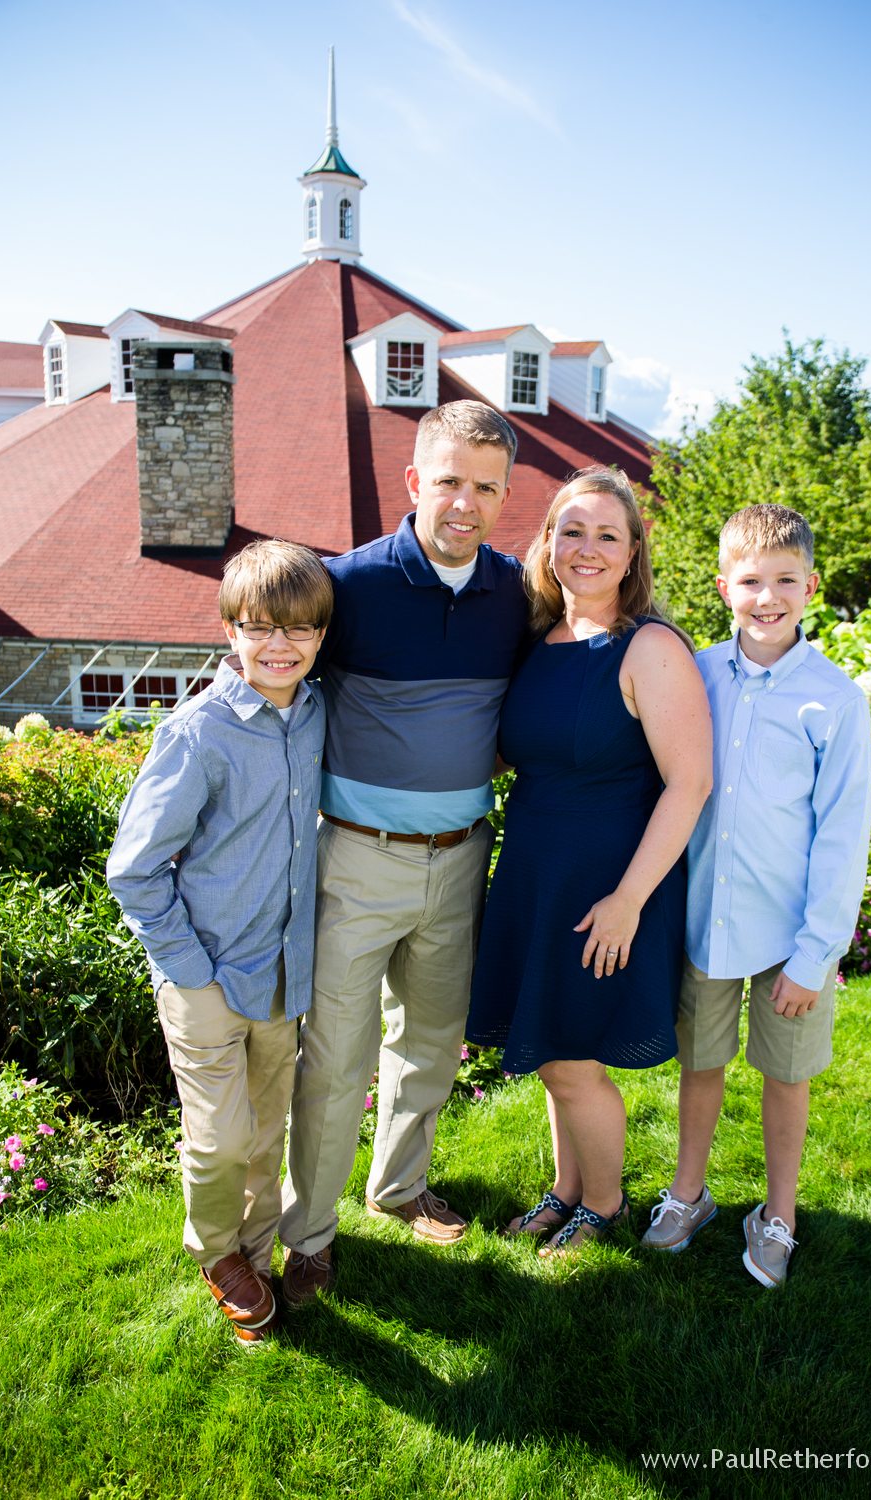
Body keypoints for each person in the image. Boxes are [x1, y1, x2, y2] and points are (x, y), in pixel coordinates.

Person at [279, 400, 529, 1304]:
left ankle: (398, 1187)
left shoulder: (516, 594)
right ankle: (306, 1233)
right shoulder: (347, 586)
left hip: (463, 856)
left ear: (505, 496)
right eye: (451, 482)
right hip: (357, 859)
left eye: (487, 488)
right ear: (416, 482)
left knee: (429, 1042)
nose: (467, 502)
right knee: (335, 1054)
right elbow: (264, 669)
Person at [466, 467, 713, 1255]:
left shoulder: (650, 647)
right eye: (572, 531)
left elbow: (690, 783)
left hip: (607, 885)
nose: (587, 548)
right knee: (551, 1052)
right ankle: (566, 1191)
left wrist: (629, 900)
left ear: (634, 550)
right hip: (537, 873)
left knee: (572, 1060)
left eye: (608, 534)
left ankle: (603, 1205)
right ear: (547, 543)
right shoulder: (542, 642)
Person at [107, 540, 332, 1345]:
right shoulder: (198, 733)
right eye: (261, 628)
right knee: (222, 1139)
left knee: (267, 1133)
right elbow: (134, 870)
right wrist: (189, 971)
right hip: (204, 978)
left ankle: (256, 1252)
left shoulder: (312, 714)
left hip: (282, 975)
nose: (281, 647)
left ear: (320, 637)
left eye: (300, 631)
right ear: (230, 631)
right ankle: (213, 1251)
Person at [642, 503, 871, 1286]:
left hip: (790, 938)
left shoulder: (834, 699)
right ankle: (688, 1192)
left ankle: (779, 1212)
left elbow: (843, 835)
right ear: (722, 586)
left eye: (783, 580)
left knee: (787, 1076)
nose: (766, 596)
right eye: (750, 581)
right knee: (701, 1064)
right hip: (705, 922)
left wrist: (817, 954)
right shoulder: (696, 675)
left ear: (810, 586)